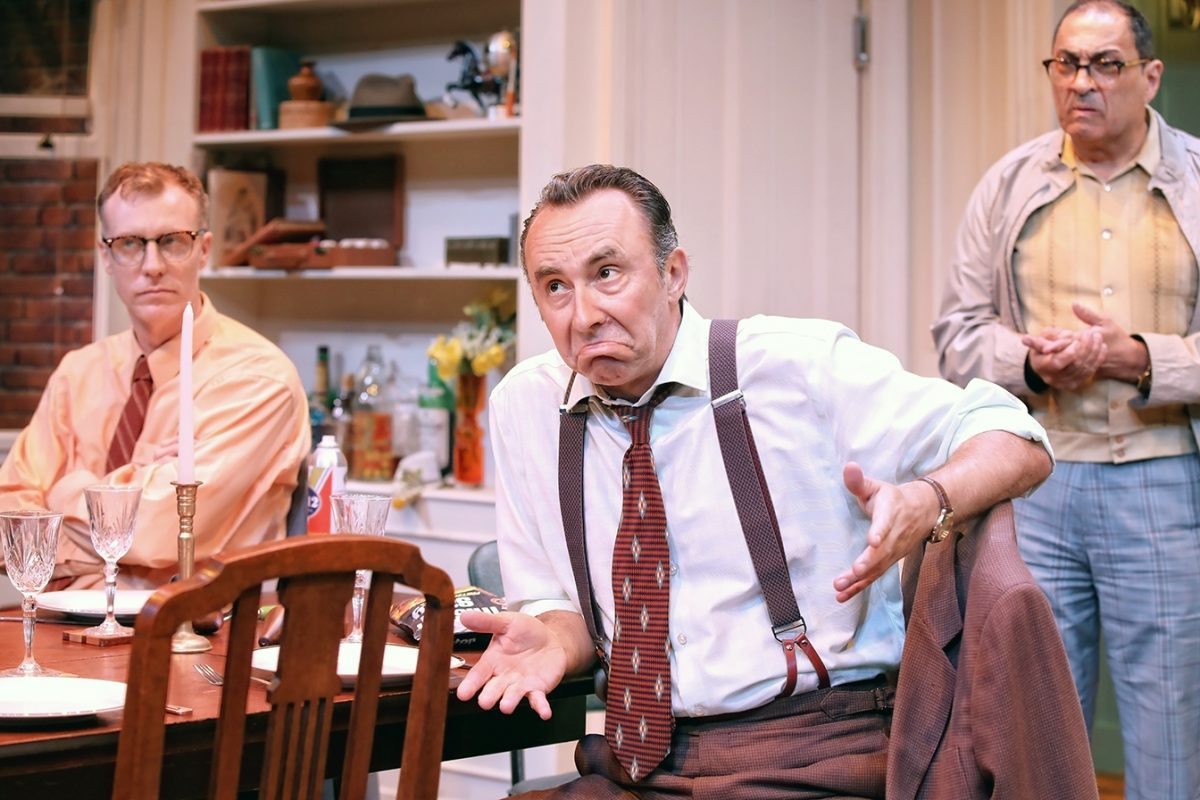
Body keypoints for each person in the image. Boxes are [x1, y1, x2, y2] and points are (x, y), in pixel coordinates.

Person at [456, 164, 1054, 798]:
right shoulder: (527, 405)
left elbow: (1017, 438)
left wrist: (929, 499)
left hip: (810, 754)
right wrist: (554, 636)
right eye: (555, 287)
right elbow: (560, 607)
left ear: (673, 274)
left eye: (607, 274)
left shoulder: (797, 366)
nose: (584, 315)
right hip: (629, 766)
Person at [931, 2, 1200, 797]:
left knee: (1169, 715)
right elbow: (955, 335)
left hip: (1160, 480)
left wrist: (1138, 357)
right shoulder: (1009, 184)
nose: (1082, 83)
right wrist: (1036, 364)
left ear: (1150, 77)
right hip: (1039, 484)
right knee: (1040, 714)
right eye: (1066, 64)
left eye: (1106, 65)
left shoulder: (1193, 181)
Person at [0, 162, 310, 590]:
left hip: (199, 638)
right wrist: (136, 479)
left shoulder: (258, 379)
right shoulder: (79, 371)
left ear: (203, 250)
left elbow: (156, 532)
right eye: (129, 243)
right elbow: (9, 525)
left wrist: (63, 492)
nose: (152, 265)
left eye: (172, 241)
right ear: (106, 257)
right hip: (60, 625)